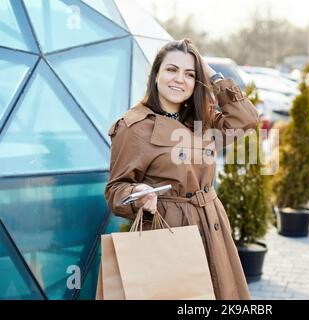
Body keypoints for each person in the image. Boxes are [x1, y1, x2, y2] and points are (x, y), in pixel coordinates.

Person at [104, 38, 259, 300]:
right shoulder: (133, 126)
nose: (179, 79)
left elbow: (246, 118)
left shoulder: (201, 120)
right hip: (170, 231)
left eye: (190, 74)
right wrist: (137, 192)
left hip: (212, 227)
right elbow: (115, 190)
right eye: (171, 70)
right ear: (156, 75)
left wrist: (212, 74)